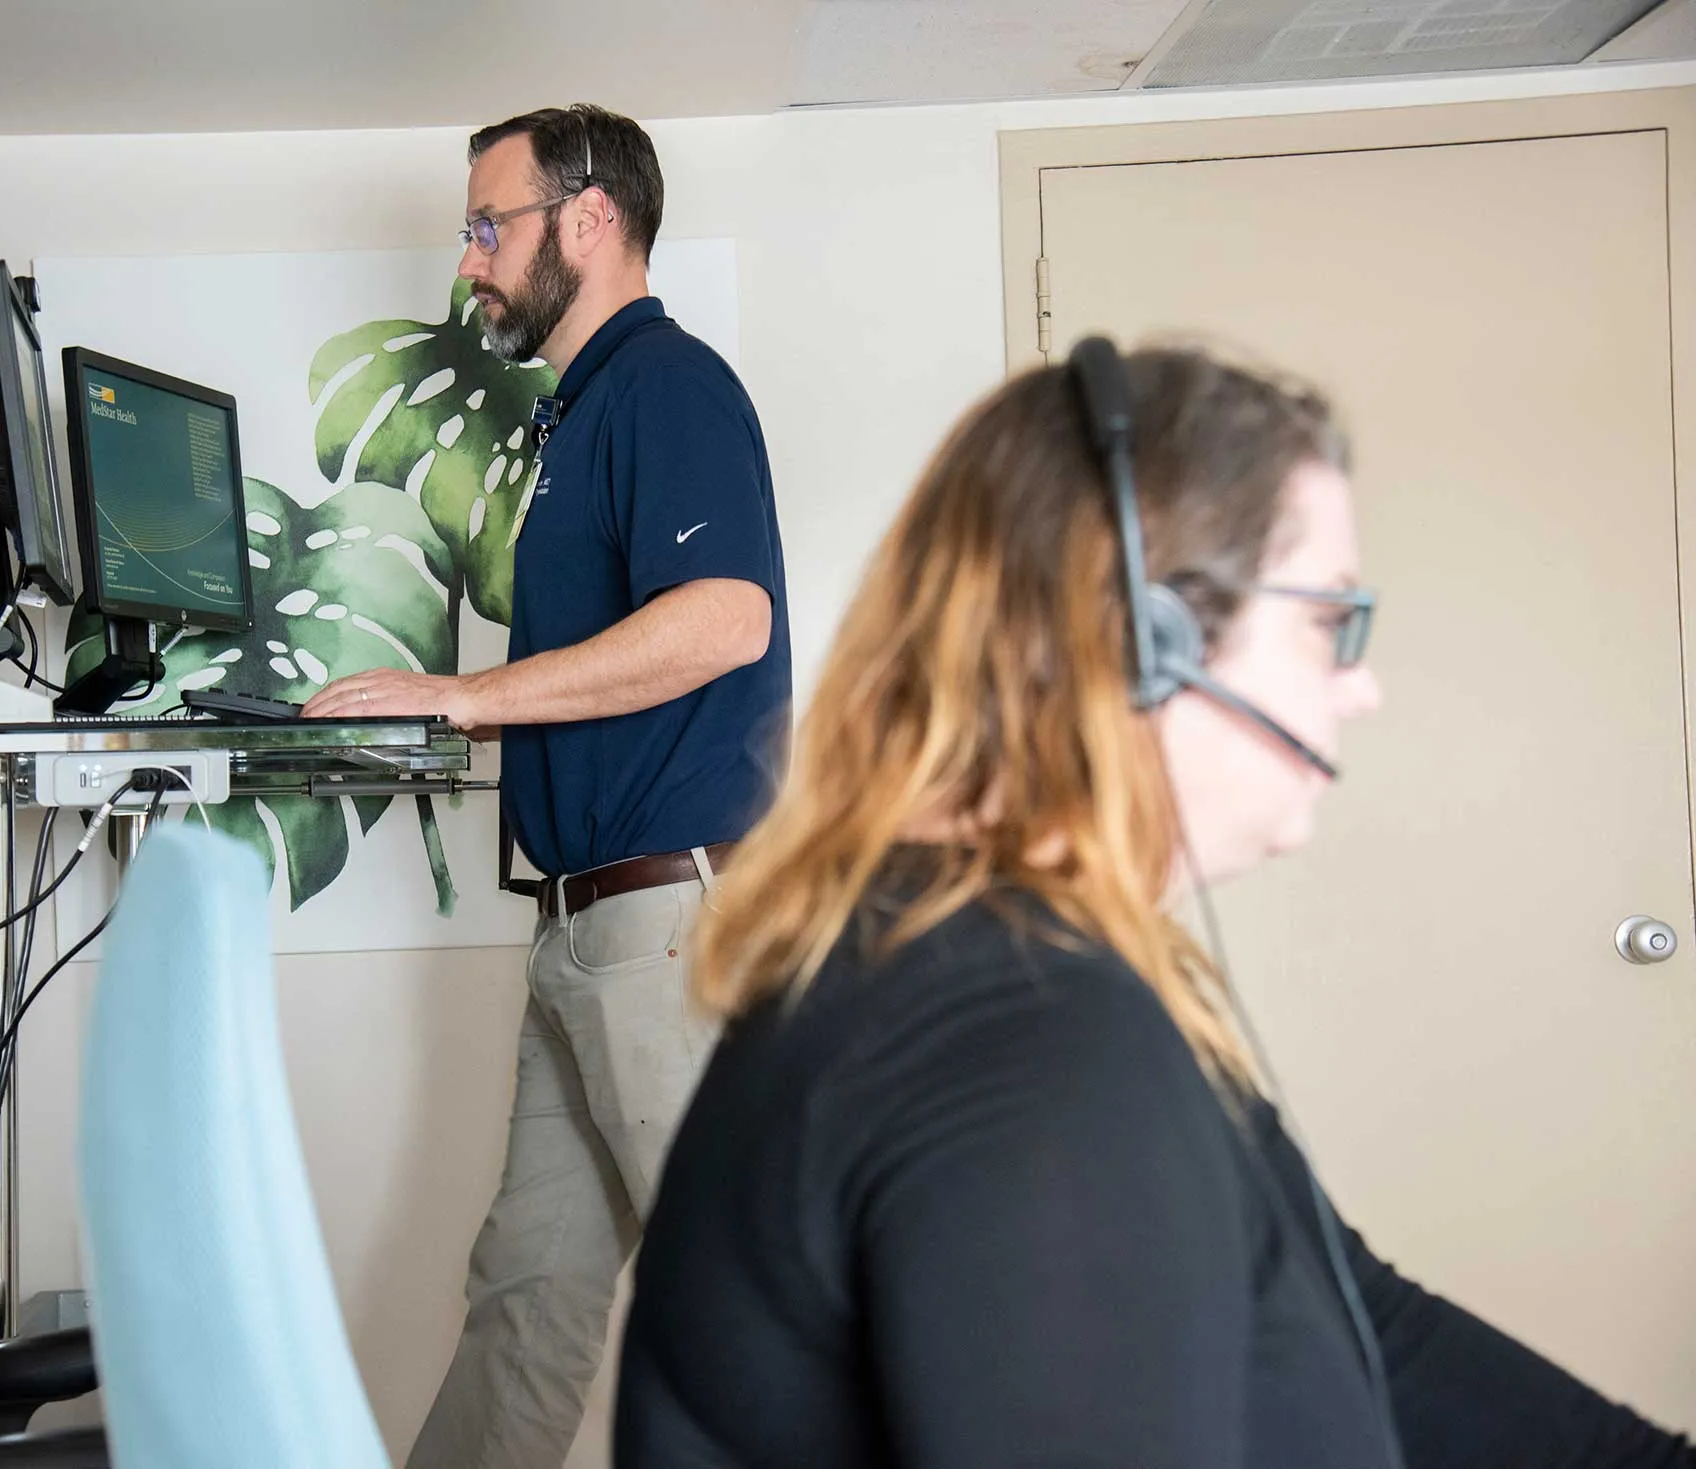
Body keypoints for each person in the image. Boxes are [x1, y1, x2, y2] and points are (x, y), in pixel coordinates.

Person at [614, 343, 1696, 1467]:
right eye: (1330, 621)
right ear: (1141, 641)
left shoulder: (1005, 957)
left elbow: (1374, 1324)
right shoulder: (1022, 1042)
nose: (1361, 683)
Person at [304, 103, 791, 1467]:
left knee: (742, 1326)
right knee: (529, 1299)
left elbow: (722, 620)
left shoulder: (665, 385)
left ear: (588, 219)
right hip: (583, 934)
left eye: (488, 226)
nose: (470, 262)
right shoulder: (581, 415)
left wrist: (463, 695)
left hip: (664, 932)